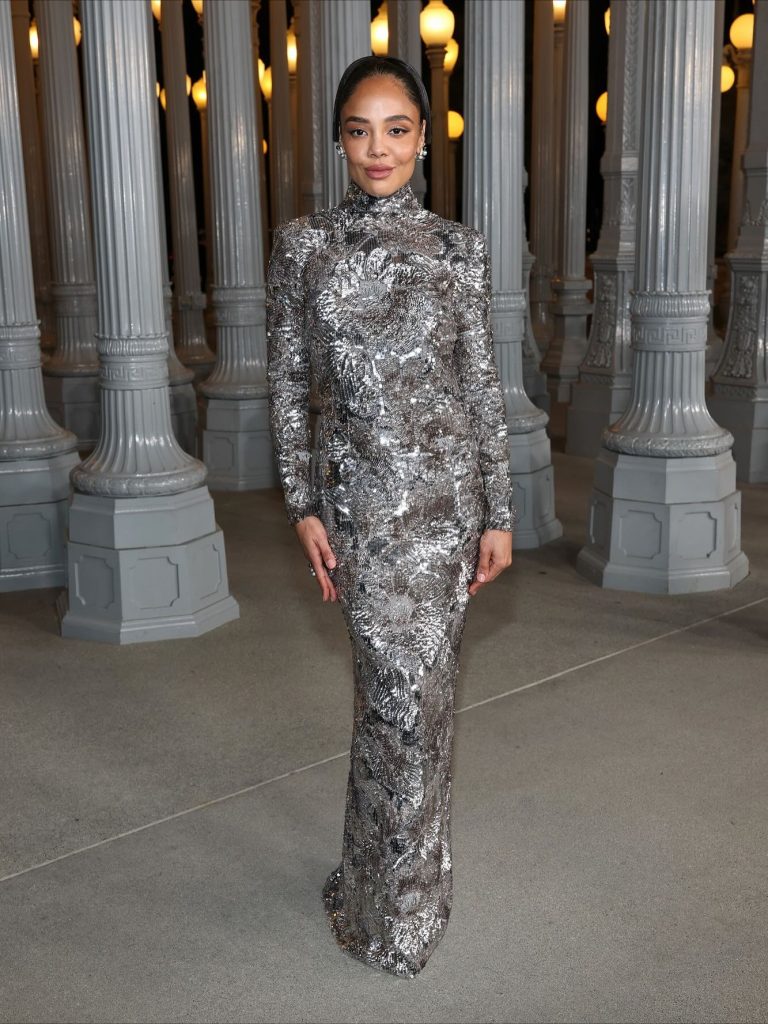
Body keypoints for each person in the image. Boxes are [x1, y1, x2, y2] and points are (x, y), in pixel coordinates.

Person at [266, 56, 516, 978]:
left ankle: (405, 900)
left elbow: (479, 385)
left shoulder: (457, 249)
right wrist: (301, 503)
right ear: (339, 139)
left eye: (397, 128)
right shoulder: (304, 246)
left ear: (424, 138)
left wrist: (498, 510)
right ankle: (379, 894)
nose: (379, 148)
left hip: (444, 513)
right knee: (392, 702)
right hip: (360, 513)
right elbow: (288, 383)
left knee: (425, 703)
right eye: (360, 129)